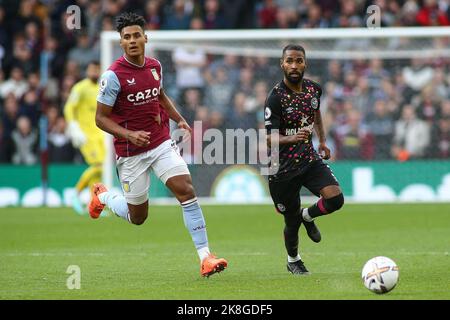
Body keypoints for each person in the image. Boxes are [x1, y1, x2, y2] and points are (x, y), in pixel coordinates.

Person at [91, 12, 227, 277]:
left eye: (136, 35)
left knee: (186, 190)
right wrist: (129, 135)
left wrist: (179, 119)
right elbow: (100, 119)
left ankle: (205, 257)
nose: (132, 41)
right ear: (121, 42)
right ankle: (103, 196)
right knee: (138, 217)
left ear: (145, 38)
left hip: (160, 142)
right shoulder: (113, 76)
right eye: (126, 37)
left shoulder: (155, 66)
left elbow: (160, 95)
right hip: (130, 154)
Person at [264, 44, 345, 275]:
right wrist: (292, 138)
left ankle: (307, 216)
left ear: (305, 64)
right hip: (282, 170)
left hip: (309, 159)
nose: (294, 65)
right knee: (291, 222)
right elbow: (270, 138)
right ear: (282, 64)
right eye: (289, 61)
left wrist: (321, 140)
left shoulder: (314, 90)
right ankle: (293, 260)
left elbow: (316, 112)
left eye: (298, 60)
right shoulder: (275, 98)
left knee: (335, 199)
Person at [64, 61, 105, 215]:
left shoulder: (102, 87)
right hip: (86, 135)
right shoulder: (80, 88)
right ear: (87, 70)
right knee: (99, 166)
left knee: (99, 171)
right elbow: (69, 107)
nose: (95, 72)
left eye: (97, 69)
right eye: (92, 69)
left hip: (101, 134)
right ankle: (75, 193)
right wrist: (73, 126)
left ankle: (93, 204)